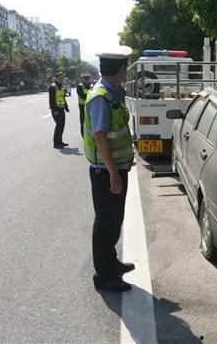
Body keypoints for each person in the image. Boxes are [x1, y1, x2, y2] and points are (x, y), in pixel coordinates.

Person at [83, 46, 136, 292]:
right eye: (126, 68)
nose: (126, 73)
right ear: (121, 70)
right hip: (105, 172)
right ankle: (104, 276)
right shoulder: (100, 97)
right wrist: (114, 173)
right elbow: (101, 137)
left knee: (115, 220)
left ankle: (111, 263)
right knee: (106, 224)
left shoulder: (113, 93)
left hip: (114, 168)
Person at [48, 72, 69, 149]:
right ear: (56, 78)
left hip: (61, 109)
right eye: (60, 78)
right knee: (59, 126)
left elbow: (63, 98)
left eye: (62, 78)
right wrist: (54, 110)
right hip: (56, 110)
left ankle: (60, 141)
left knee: (61, 126)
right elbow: (51, 100)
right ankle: (56, 143)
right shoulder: (52, 87)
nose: (61, 79)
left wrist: (66, 107)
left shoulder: (61, 87)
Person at [76, 73, 92, 138]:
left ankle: (90, 135)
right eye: (85, 78)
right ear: (82, 79)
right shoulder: (80, 86)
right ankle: (83, 135)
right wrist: (90, 96)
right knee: (83, 121)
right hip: (82, 106)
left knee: (90, 121)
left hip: (90, 106)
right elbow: (81, 95)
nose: (87, 80)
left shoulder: (91, 86)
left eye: (88, 78)